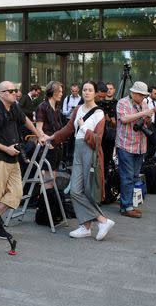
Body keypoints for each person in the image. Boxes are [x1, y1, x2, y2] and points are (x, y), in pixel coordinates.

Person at [0, 81, 48, 240]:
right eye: (11, 91)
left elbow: (25, 120)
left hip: (13, 158)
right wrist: (5, 148)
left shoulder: (15, 108)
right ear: (2, 93)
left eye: (16, 90)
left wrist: (39, 134)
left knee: (16, 194)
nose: (15, 93)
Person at [49, 81, 115, 239]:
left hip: (90, 152)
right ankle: (97, 222)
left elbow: (97, 140)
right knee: (75, 190)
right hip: (78, 151)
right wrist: (52, 137)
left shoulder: (99, 113)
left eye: (90, 90)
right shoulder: (78, 109)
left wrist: (84, 127)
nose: (86, 92)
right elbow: (68, 129)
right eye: (84, 89)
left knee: (87, 190)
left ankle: (89, 225)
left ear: (95, 93)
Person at [115, 81, 155, 218]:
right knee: (127, 177)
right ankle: (127, 207)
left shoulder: (143, 104)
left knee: (134, 177)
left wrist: (148, 118)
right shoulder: (122, 103)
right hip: (125, 145)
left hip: (140, 146)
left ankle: (127, 204)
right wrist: (143, 113)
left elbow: (145, 122)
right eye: (142, 95)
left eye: (144, 96)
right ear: (134, 93)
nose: (143, 98)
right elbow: (124, 119)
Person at [144, 85, 156, 159]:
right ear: (150, 93)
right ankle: (146, 159)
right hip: (147, 125)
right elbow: (143, 112)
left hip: (154, 125)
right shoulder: (145, 101)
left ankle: (149, 159)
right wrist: (153, 110)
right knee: (153, 142)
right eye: (155, 93)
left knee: (154, 143)